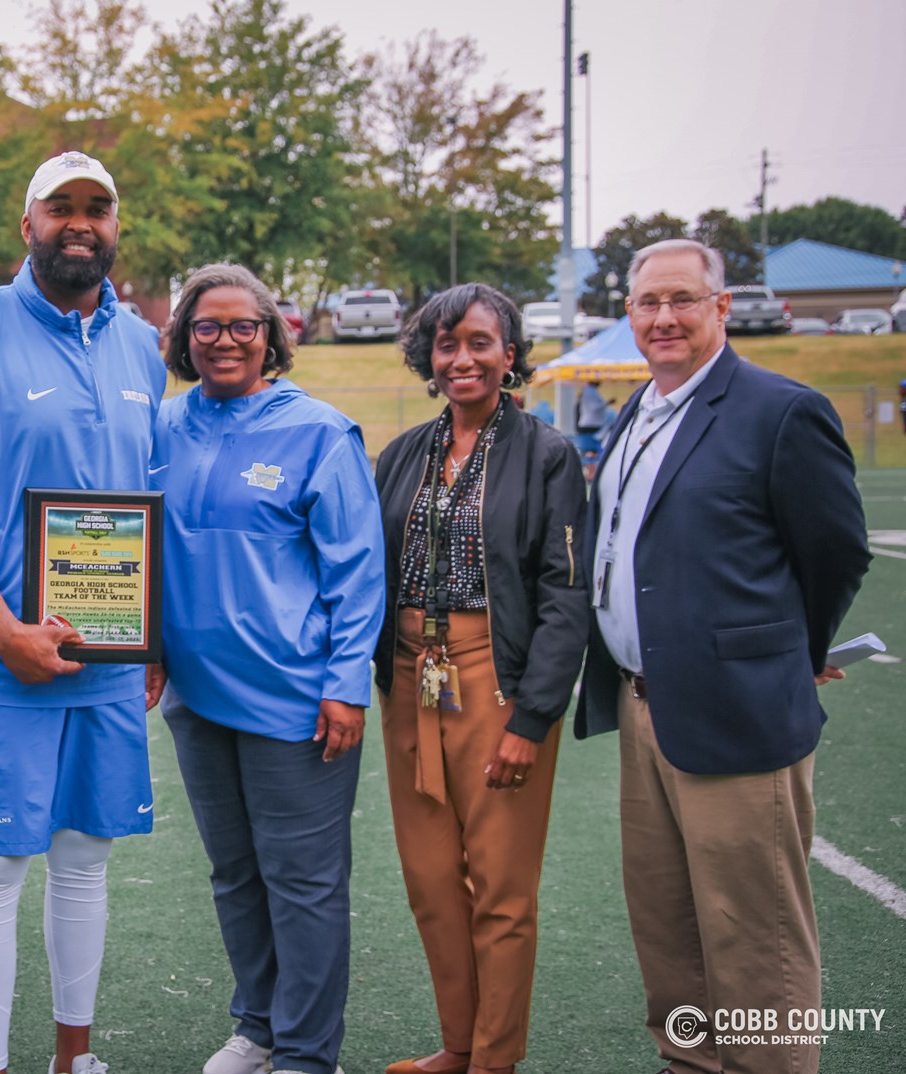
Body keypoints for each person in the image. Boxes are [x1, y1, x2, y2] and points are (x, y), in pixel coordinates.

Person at [574, 239, 871, 1074]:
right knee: (668, 924)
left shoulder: (780, 410)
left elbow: (837, 552)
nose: (663, 318)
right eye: (647, 303)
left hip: (737, 711)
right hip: (644, 704)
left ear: (722, 306)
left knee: (755, 936)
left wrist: (790, 651)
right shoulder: (637, 412)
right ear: (628, 314)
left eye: (681, 299)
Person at [0, 150, 164, 1074]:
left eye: (99, 207)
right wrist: (0, 624)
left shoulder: (141, 345)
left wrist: (151, 632)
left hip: (106, 656)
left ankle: (73, 1059)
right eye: (61, 208)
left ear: (117, 226)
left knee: (86, 856)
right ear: (28, 225)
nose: (80, 223)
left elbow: (147, 490)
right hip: (1, 655)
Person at [145, 263, 383, 1074]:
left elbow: (357, 572)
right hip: (196, 696)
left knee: (304, 885)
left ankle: (309, 1055)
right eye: (206, 327)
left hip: (295, 698)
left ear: (271, 336)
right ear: (183, 338)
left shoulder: (320, 431)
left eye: (244, 325)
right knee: (235, 874)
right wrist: (144, 647)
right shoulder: (163, 426)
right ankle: (258, 1027)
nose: (224, 341)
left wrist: (347, 684)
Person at [373, 284, 589, 1074]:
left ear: (509, 353)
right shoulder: (403, 455)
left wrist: (533, 717)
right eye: (444, 344)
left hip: (495, 683)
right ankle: (457, 1046)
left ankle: (494, 1061)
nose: (461, 358)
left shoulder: (547, 453)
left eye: (478, 342)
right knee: (431, 881)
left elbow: (567, 593)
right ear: (426, 358)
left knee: (500, 891)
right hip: (408, 680)